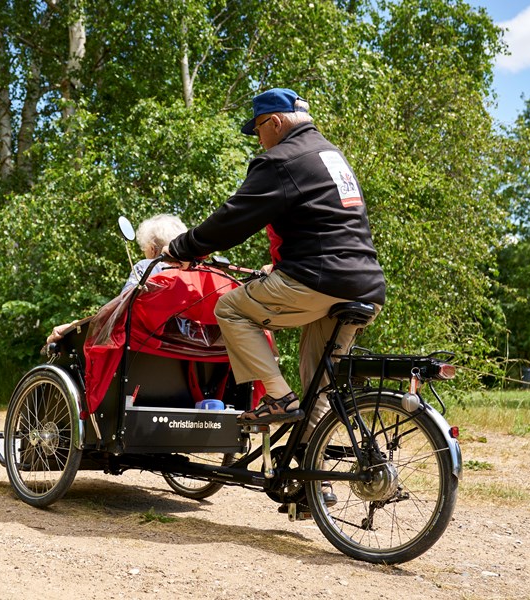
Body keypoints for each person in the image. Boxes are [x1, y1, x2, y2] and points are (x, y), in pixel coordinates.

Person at [162, 88, 386, 430]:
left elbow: (233, 220)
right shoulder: (330, 155)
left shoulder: (282, 159)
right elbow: (327, 224)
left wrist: (182, 248)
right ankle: (312, 477)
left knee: (230, 308)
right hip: (365, 284)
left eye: (258, 130)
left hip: (317, 280)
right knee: (318, 387)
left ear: (276, 122)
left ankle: (278, 397)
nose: (258, 140)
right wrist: (282, 266)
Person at [46, 214, 187, 344]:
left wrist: (75, 326)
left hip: (142, 354)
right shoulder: (197, 279)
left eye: (143, 249)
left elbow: (119, 313)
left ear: (152, 249)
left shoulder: (146, 268)